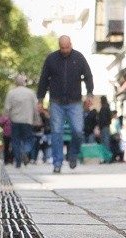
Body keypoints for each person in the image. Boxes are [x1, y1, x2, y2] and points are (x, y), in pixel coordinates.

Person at [36, 35, 94, 173]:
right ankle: (57, 162)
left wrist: (90, 93)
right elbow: (43, 79)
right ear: (59, 46)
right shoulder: (51, 59)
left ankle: (73, 154)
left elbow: (88, 76)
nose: (65, 50)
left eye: (67, 47)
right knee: (56, 132)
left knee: (78, 131)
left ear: (71, 44)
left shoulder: (79, 58)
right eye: (62, 48)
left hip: (75, 102)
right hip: (56, 102)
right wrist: (40, 99)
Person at [3, 74, 38, 168]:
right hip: (27, 120)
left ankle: (18, 160)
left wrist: (8, 117)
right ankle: (25, 151)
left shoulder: (11, 93)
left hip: (15, 120)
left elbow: (7, 108)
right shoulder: (31, 93)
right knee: (28, 139)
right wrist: (36, 120)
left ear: (15, 82)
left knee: (15, 141)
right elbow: (35, 108)